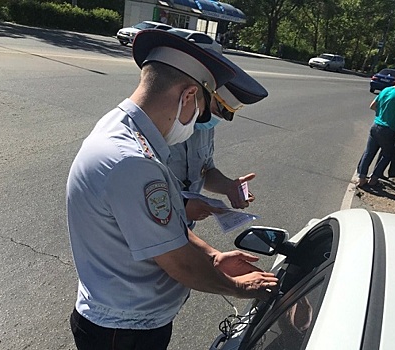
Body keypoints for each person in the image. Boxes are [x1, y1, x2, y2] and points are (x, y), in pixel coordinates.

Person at [66, 29, 278, 350]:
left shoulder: (126, 132)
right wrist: (238, 287)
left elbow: (164, 230)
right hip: (123, 332)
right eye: (203, 110)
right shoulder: (132, 161)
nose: (198, 120)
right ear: (189, 95)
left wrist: (214, 256)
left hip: (128, 320)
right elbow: (177, 261)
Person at [168, 52, 268, 227]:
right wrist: (180, 207)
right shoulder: (158, 126)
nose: (218, 117)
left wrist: (228, 186)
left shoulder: (203, 126)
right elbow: (134, 191)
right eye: (219, 108)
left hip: (183, 228)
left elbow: (205, 171)